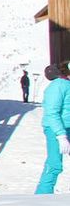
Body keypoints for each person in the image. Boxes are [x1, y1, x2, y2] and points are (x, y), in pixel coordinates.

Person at [38, 62, 70, 194]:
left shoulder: (66, 84)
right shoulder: (58, 86)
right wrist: (61, 135)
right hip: (56, 129)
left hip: (66, 127)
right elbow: (51, 112)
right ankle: (42, 196)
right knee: (54, 164)